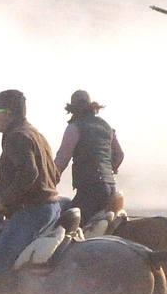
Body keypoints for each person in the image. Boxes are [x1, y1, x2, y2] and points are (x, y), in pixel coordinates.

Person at [0, 89, 62, 285]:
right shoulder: (36, 134)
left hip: (33, 212)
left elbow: (29, 174)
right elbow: (55, 175)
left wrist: (3, 200)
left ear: (8, 113)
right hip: (52, 208)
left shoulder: (16, 136)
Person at [52, 89, 124, 220]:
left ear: (72, 109)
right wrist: (110, 169)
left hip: (90, 191)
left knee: (65, 223)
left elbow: (62, 160)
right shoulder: (107, 127)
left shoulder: (74, 128)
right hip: (111, 188)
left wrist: (49, 182)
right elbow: (119, 155)